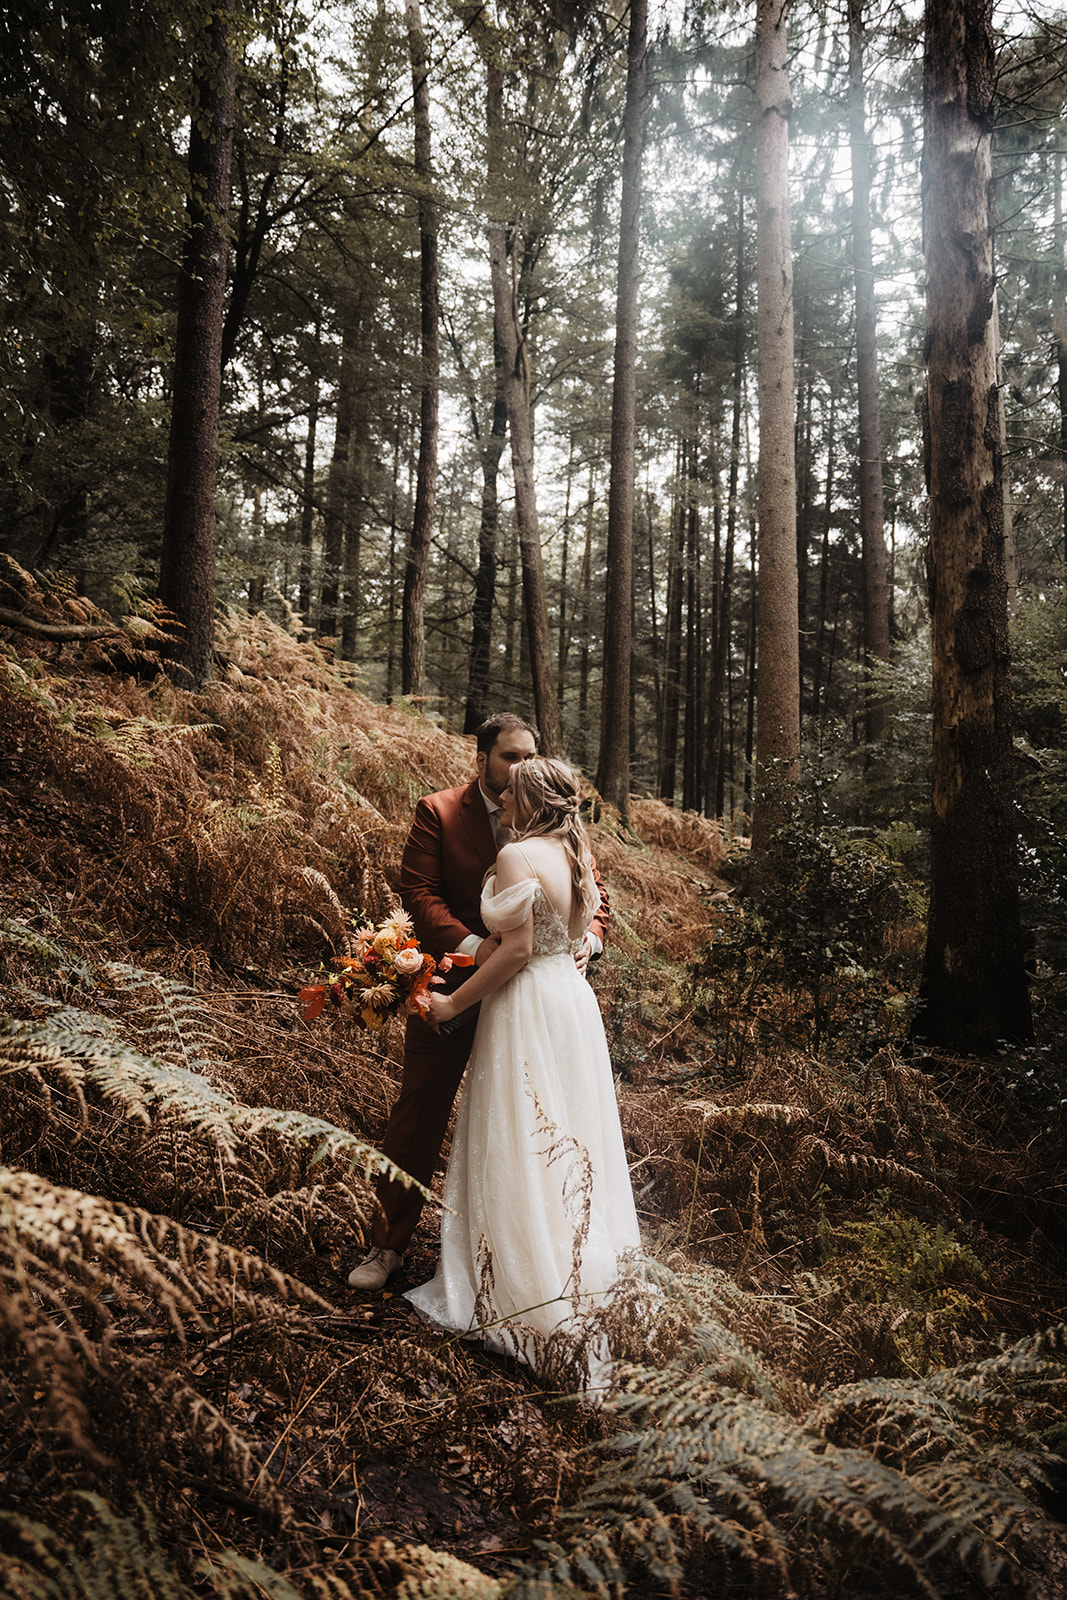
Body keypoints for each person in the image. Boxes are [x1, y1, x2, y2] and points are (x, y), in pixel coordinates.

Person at [404, 756, 642, 1388]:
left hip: (529, 1004)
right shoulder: (574, 852)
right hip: (571, 1005)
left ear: (530, 800)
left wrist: (453, 1003)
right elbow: (579, 940)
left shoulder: (517, 856)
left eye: (510, 795)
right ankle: (578, 1282)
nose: (501, 802)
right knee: (570, 1139)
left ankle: (515, 1291)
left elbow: (516, 950)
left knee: (519, 1135)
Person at [348, 715, 609, 1291]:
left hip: (531, 1001)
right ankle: (386, 1247)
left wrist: (585, 940)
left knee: (535, 1126)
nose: (519, 768)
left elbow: (594, 895)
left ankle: (532, 1263)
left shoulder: (561, 828)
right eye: (509, 757)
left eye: (527, 757)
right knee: (418, 1117)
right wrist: (475, 947)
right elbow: (418, 894)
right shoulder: (438, 812)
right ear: (482, 757)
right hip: (456, 986)